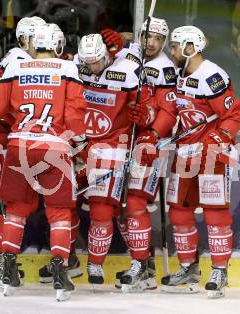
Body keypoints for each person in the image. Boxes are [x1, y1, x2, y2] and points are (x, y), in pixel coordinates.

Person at [0, 22, 87, 300]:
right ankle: (60, 271)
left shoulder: (15, 68)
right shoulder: (69, 70)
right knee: (59, 212)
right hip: (54, 149)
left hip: (18, 145)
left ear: (34, 44)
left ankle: (8, 268)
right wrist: (81, 142)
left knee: (15, 210)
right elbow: (74, 118)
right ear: (57, 46)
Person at [164, 25, 240, 299]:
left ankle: (220, 270)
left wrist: (218, 137)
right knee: (179, 211)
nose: (171, 51)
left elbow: (235, 116)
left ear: (190, 48)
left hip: (211, 154)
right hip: (185, 152)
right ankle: (188, 267)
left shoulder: (212, 76)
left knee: (215, 212)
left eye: (175, 46)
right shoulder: (176, 75)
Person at [101, 17, 178, 292]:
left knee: (134, 203)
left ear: (164, 42)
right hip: (123, 139)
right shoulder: (131, 52)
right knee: (120, 207)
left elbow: (169, 112)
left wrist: (152, 131)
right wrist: (117, 44)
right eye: (148, 37)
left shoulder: (166, 69)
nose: (152, 43)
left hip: (149, 143)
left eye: (158, 39)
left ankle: (141, 265)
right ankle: (144, 263)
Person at [0, 16, 47, 289]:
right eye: (36, 38)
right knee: (15, 200)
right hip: (3, 136)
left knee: (20, 200)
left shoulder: (21, 60)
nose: (41, 43)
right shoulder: (18, 62)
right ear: (24, 39)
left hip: (10, 136)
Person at [76, 33, 155, 287]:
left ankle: (141, 264)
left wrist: (146, 116)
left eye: (97, 61)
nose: (93, 67)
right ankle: (93, 263)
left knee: (130, 208)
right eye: (89, 63)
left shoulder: (130, 70)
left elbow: (150, 105)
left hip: (117, 146)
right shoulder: (76, 66)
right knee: (96, 209)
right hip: (84, 145)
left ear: (107, 54)